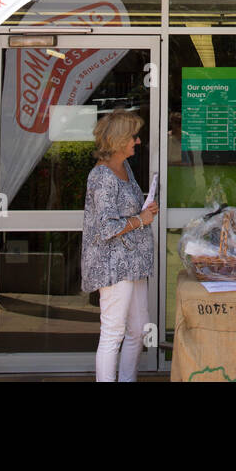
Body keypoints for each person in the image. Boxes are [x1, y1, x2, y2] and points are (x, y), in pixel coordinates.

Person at [80, 109, 157, 382]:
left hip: (133, 263)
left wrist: (145, 209)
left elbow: (127, 210)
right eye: (133, 137)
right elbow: (107, 227)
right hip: (112, 265)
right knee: (113, 332)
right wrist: (141, 219)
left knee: (137, 329)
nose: (138, 142)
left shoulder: (124, 168)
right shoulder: (101, 176)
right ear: (118, 139)